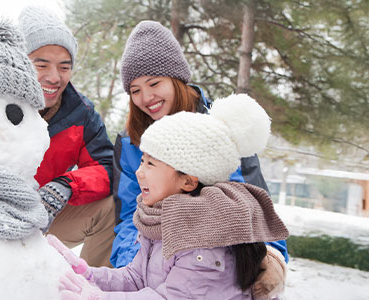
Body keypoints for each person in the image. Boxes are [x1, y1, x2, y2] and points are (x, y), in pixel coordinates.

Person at [57, 93, 290, 299]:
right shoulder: (160, 219)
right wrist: (89, 273)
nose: (139, 172)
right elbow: (136, 278)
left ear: (188, 180)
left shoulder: (205, 238)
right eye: (141, 160)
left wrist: (98, 298)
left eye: (151, 164)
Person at [111, 20, 288, 271]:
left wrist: (269, 261)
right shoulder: (130, 142)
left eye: (154, 83)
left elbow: (253, 205)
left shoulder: (220, 128)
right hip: (156, 257)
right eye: (135, 90)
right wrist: (134, 267)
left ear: (176, 78)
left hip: (219, 257)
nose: (146, 98)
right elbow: (128, 216)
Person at [18, 5, 115, 267]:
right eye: (41, 64)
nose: (54, 77)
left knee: (111, 207)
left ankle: (93, 287)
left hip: (44, 217)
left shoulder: (80, 113)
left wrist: (66, 185)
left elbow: (106, 167)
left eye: (64, 67)